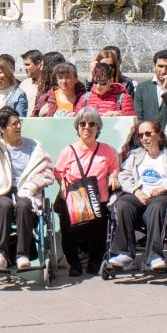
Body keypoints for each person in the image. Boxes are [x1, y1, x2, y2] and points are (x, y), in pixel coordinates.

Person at [108, 118, 167, 271]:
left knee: (157, 206)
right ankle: (124, 253)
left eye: (148, 134)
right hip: (139, 194)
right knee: (123, 204)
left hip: (163, 196)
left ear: (159, 135)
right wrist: (136, 190)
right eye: (141, 136)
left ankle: (155, 256)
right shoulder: (136, 155)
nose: (144, 139)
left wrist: (165, 187)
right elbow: (124, 175)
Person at [0, 107, 56, 270]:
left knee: (24, 205)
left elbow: (47, 171)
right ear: (2, 129)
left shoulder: (33, 146)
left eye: (19, 122)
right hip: (0, 191)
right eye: (14, 124)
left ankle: (22, 255)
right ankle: (1, 255)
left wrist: (32, 186)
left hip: (27, 191)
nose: (19, 126)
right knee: (4, 205)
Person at [54, 107, 122, 275]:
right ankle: (74, 264)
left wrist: (113, 177)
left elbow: (114, 168)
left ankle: (94, 262)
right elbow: (58, 171)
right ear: (77, 128)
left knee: (98, 230)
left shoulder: (107, 150)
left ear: (98, 128)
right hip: (74, 199)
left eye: (92, 124)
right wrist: (62, 184)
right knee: (67, 224)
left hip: (97, 198)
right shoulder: (68, 150)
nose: (87, 128)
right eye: (82, 124)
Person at [134, 49, 167, 128]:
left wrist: (166, 92)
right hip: (148, 134)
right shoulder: (142, 88)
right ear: (154, 66)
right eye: (160, 66)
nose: (163, 71)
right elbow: (139, 115)